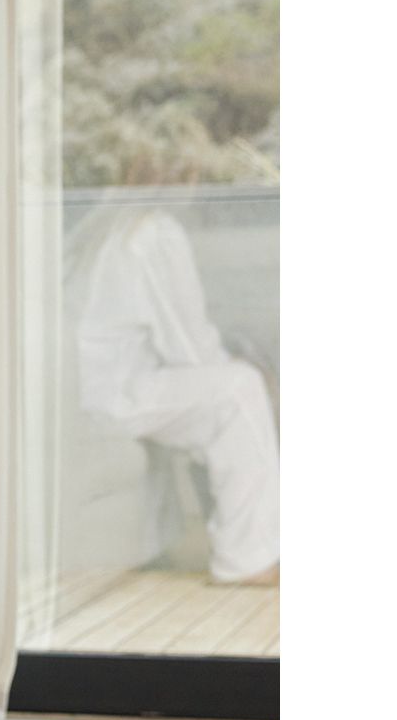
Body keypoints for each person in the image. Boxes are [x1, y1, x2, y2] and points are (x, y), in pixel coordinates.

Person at [66, 202, 279, 585]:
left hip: (86, 386)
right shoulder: (152, 232)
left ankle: (243, 543)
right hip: (111, 393)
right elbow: (190, 349)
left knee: (227, 387)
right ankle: (248, 559)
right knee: (239, 389)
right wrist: (248, 370)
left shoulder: (103, 225)